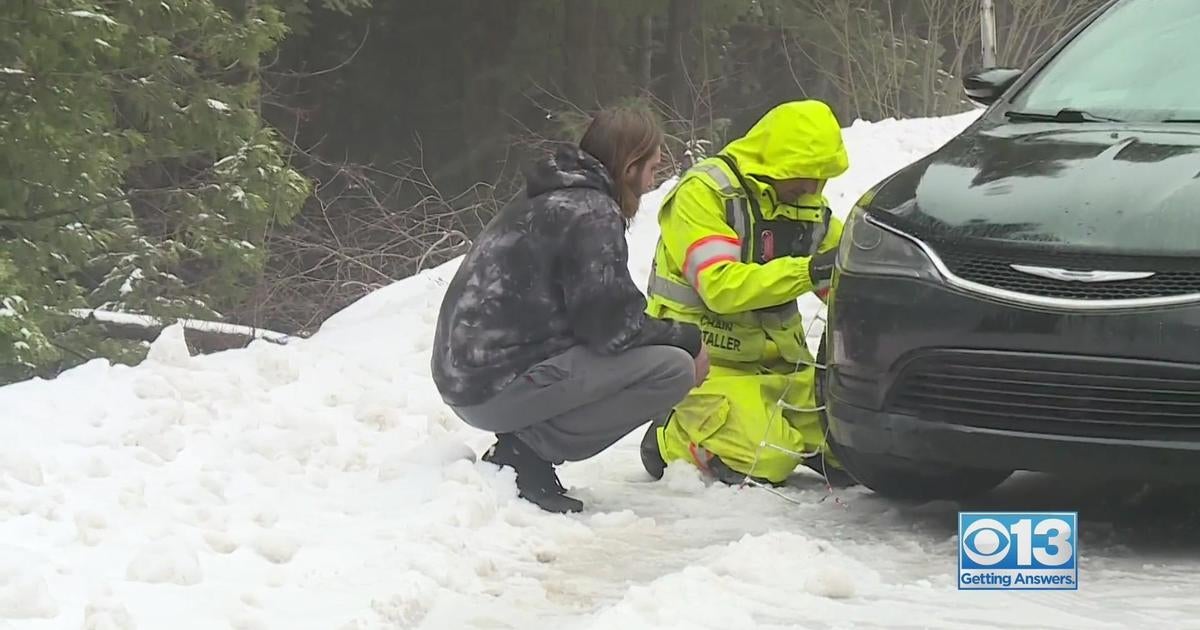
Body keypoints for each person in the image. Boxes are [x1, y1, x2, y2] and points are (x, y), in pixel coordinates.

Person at [431, 106, 709, 514]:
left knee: (654, 357)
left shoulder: (553, 193)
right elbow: (614, 328)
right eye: (651, 169)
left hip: (467, 377)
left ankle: (525, 449)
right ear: (629, 167)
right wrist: (690, 340)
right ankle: (525, 454)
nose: (652, 182)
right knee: (673, 368)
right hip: (491, 389)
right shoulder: (591, 211)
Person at [638, 100, 858, 489]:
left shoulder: (805, 204)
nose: (814, 189)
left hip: (782, 369)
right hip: (708, 367)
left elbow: (844, 278)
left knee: (855, 445)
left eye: (822, 178)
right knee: (771, 459)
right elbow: (721, 287)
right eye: (806, 176)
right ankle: (670, 434)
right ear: (776, 163)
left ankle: (776, 428)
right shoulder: (704, 194)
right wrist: (807, 271)